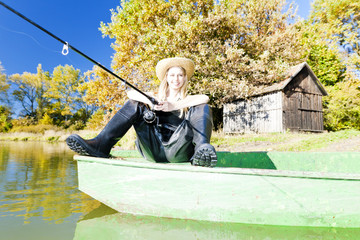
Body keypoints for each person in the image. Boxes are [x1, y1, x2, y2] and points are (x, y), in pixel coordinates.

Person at [66, 57, 217, 167]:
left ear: (185, 78)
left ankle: (200, 151)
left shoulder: (189, 100)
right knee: (135, 103)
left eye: (180, 75)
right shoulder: (155, 96)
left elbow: (204, 98)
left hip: (179, 151)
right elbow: (131, 94)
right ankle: (102, 144)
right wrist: (151, 100)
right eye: (172, 75)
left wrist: (173, 106)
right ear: (166, 78)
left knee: (203, 106)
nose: (176, 79)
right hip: (153, 149)